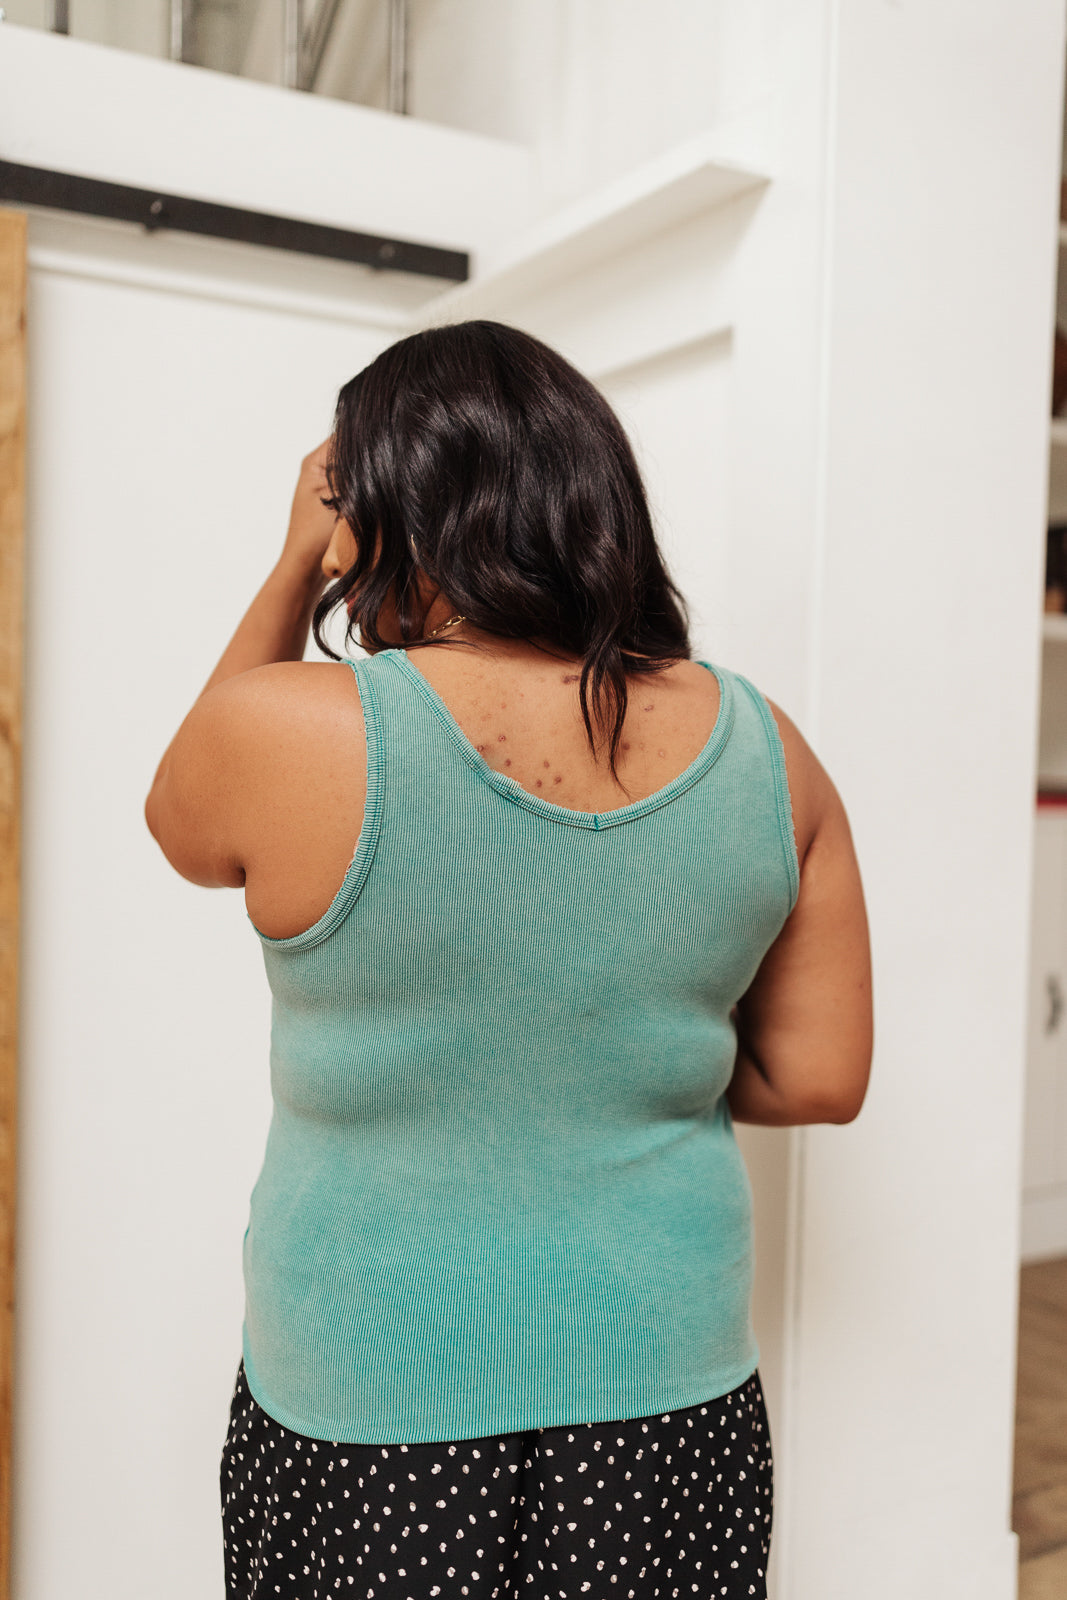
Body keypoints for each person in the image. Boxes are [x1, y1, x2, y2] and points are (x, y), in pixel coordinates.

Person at [145, 319, 872, 1600]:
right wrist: (617, 1057)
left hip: (367, 1399)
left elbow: (179, 827)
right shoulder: (769, 750)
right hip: (665, 1396)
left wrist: (294, 559)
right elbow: (818, 1076)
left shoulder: (288, 732)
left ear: (380, 513)